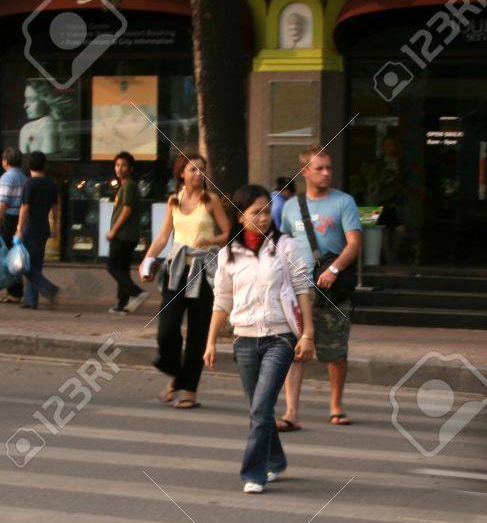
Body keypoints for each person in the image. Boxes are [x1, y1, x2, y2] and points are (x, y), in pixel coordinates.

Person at [205, 184, 315, 493]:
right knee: (260, 409)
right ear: (240, 217)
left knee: (261, 407)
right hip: (244, 340)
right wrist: (211, 341)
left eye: (267, 211)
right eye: (256, 212)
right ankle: (276, 460)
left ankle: (254, 473)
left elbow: (302, 290)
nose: (263, 218)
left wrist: (307, 333)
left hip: (279, 338)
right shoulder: (228, 255)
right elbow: (221, 301)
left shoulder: (286, 246)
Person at [277, 144, 363, 429]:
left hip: (333, 287)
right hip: (298, 286)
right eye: (320, 169)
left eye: (329, 168)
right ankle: (291, 412)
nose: (327, 173)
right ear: (305, 172)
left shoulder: (344, 202)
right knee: (295, 347)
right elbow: (283, 244)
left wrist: (335, 269)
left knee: (335, 350)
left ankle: (336, 405)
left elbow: (354, 243)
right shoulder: (291, 206)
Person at [140, 153, 232, 409]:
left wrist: (211, 240)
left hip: (204, 270)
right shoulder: (173, 201)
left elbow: (227, 234)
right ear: (181, 173)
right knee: (167, 329)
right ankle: (176, 374)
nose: (198, 174)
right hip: (177, 268)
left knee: (197, 333)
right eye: (193, 170)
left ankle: (188, 389)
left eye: (202, 170)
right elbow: (162, 237)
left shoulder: (210, 200)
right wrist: (147, 259)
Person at [14, 150, 60, 310]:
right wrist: (55, 228)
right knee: (36, 264)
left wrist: (19, 228)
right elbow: (55, 209)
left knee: (23, 265)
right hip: (44, 228)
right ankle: (30, 300)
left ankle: (48, 287)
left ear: (28, 165)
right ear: (44, 165)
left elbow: (25, 207)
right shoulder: (51, 184)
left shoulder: (30, 183)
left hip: (30, 228)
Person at [105, 151, 148, 314]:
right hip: (129, 235)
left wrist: (113, 230)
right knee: (122, 269)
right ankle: (122, 302)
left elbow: (127, 210)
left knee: (112, 267)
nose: (119, 168)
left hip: (123, 235)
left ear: (130, 168)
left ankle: (137, 293)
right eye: (117, 165)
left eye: (123, 165)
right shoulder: (125, 185)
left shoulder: (128, 185)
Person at [0, 147, 26, 303]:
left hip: (9, 218)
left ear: (5, 161)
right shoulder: (24, 177)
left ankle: (14, 292)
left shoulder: (7, 178)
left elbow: (3, 202)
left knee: (6, 256)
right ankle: (15, 291)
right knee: (14, 256)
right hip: (20, 219)